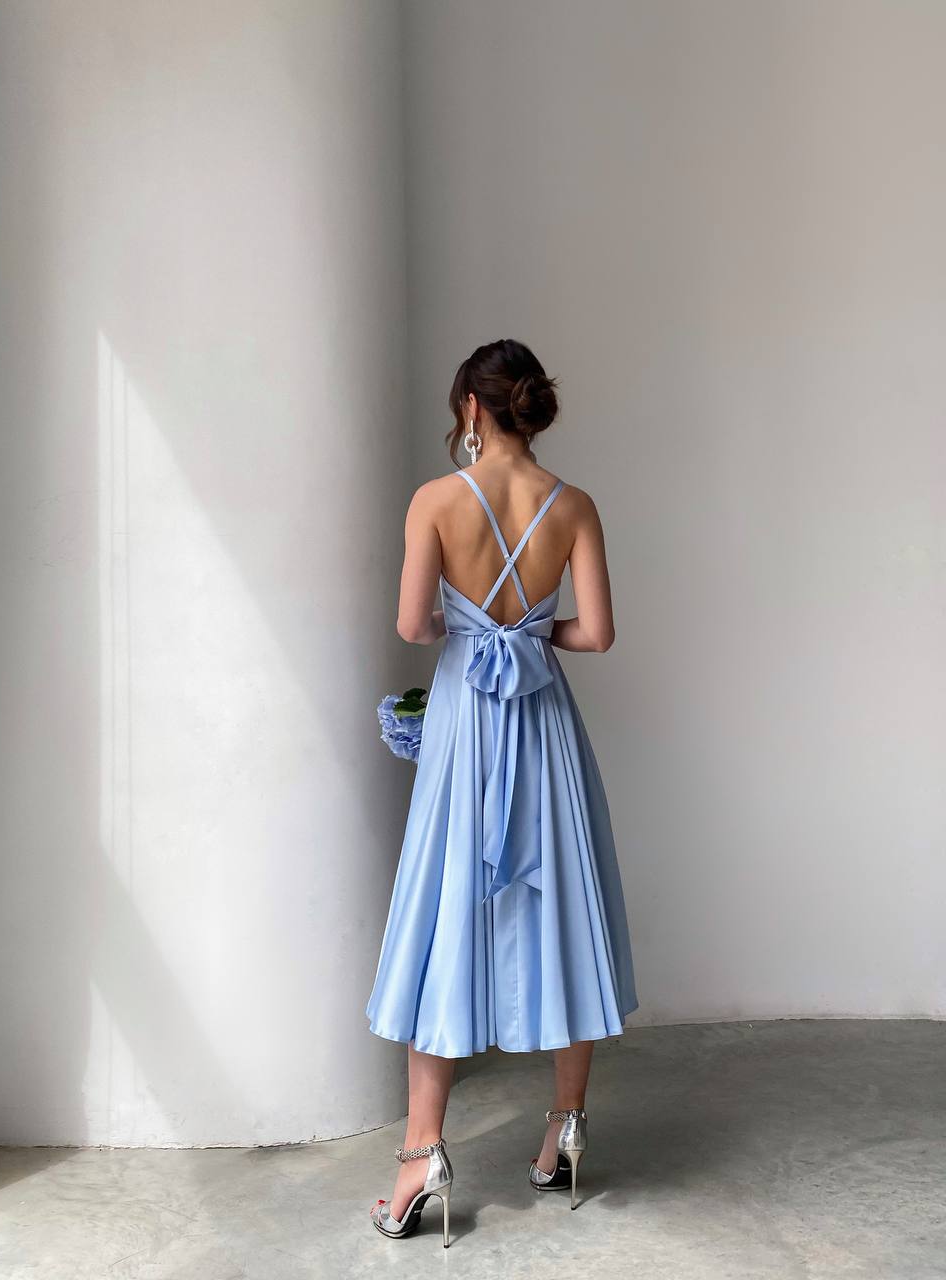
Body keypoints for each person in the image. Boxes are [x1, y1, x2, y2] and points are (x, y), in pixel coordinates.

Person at [366, 338, 639, 1247]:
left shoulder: (437, 500)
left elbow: (412, 622)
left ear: (472, 411)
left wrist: (474, 628)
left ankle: (420, 1155)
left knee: (445, 909)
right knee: (561, 902)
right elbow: (595, 633)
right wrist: (527, 633)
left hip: (466, 727)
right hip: (543, 724)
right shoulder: (576, 505)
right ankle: (565, 1130)